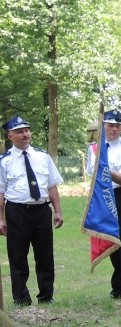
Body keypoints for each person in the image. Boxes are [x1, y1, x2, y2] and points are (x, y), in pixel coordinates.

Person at [0, 115, 64, 306]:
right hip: (16, 212)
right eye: (19, 131)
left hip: (41, 212)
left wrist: (58, 211)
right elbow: (0, 191)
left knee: (45, 255)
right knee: (18, 256)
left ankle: (46, 296)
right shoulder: (4, 161)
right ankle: (21, 298)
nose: (25, 134)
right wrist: (1, 219)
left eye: (27, 130)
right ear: (10, 136)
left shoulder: (43, 157)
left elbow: (52, 186)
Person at [88, 110, 121, 300]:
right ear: (103, 126)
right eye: (110, 125)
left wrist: (105, 170)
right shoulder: (94, 149)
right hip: (103, 196)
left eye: (117, 125)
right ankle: (118, 287)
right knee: (111, 241)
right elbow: (91, 176)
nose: (114, 129)